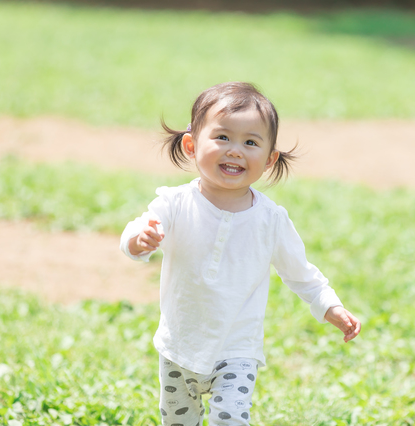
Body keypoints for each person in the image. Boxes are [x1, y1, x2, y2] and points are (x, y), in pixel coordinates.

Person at [119, 82, 361, 426]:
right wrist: (138, 240)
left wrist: (330, 305)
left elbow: (300, 273)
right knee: (177, 420)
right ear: (191, 145)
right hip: (179, 344)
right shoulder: (174, 204)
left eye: (250, 142)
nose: (235, 150)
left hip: (237, 349)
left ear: (269, 159)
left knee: (231, 419)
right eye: (222, 138)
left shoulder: (270, 220)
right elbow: (134, 233)